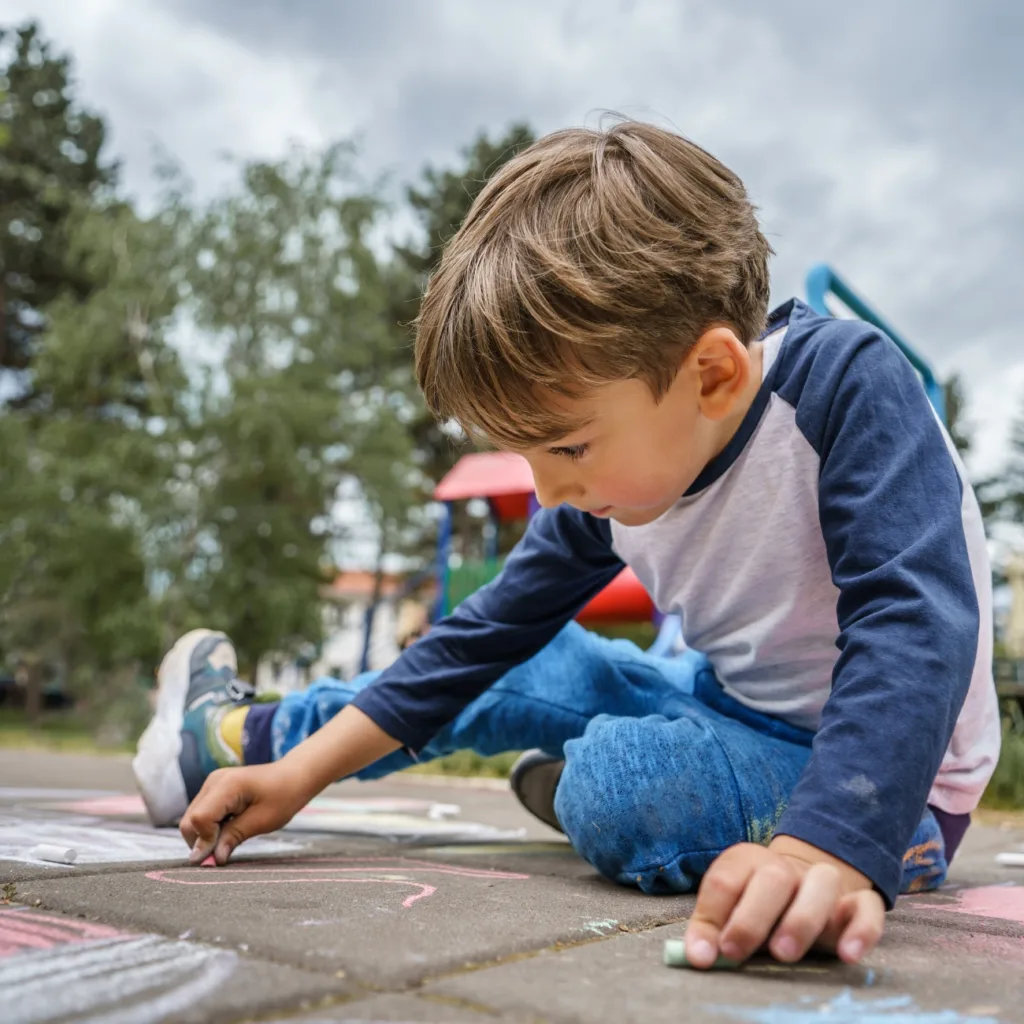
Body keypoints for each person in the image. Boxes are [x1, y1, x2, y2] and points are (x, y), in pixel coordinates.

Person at [133, 121, 999, 971]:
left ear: (712, 374)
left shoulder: (848, 389)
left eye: (569, 448)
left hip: (898, 783)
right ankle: (236, 743)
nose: (547, 492)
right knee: (524, 665)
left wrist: (829, 848)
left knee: (626, 786)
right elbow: (480, 640)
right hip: (724, 702)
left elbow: (913, 621)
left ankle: (675, 800)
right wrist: (303, 777)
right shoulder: (612, 476)